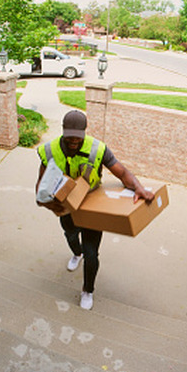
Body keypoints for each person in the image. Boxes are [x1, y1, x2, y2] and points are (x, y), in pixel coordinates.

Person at [36, 110, 154, 310]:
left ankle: (87, 290)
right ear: (63, 131)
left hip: (92, 207)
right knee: (71, 236)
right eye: (69, 135)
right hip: (66, 208)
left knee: (92, 253)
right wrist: (46, 201)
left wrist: (138, 187)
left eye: (78, 136)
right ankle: (76, 254)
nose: (74, 140)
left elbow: (122, 172)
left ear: (84, 132)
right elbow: (40, 186)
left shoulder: (98, 149)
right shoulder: (50, 150)